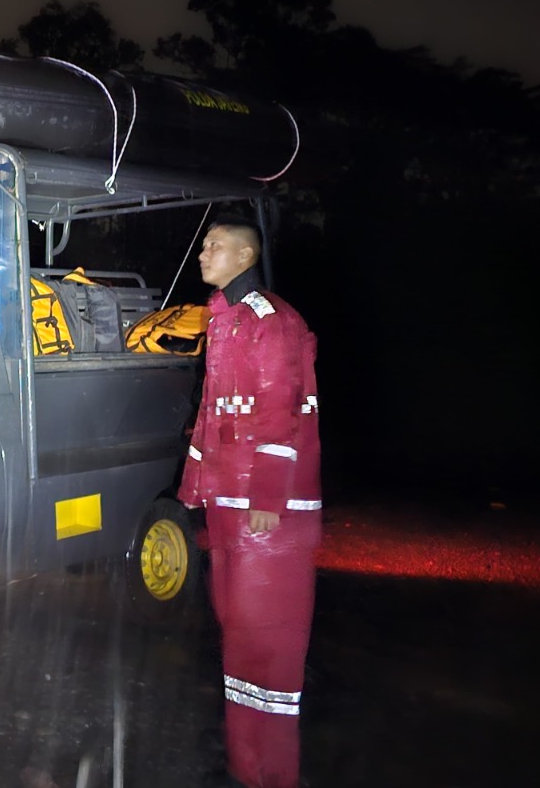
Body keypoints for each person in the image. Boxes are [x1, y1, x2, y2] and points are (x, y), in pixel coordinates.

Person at [177, 218, 321, 788]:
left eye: (214, 246)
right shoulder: (223, 318)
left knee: (271, 642)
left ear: (245, 255)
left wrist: (268, 496)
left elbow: (281, 411)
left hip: (269, 512)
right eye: (204, 246)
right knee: (237, 631)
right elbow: (211, 412)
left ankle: (276, 771)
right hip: (228, 504)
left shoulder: (271, 321)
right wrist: (196, 485)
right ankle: (245, 765)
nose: (203, 254)